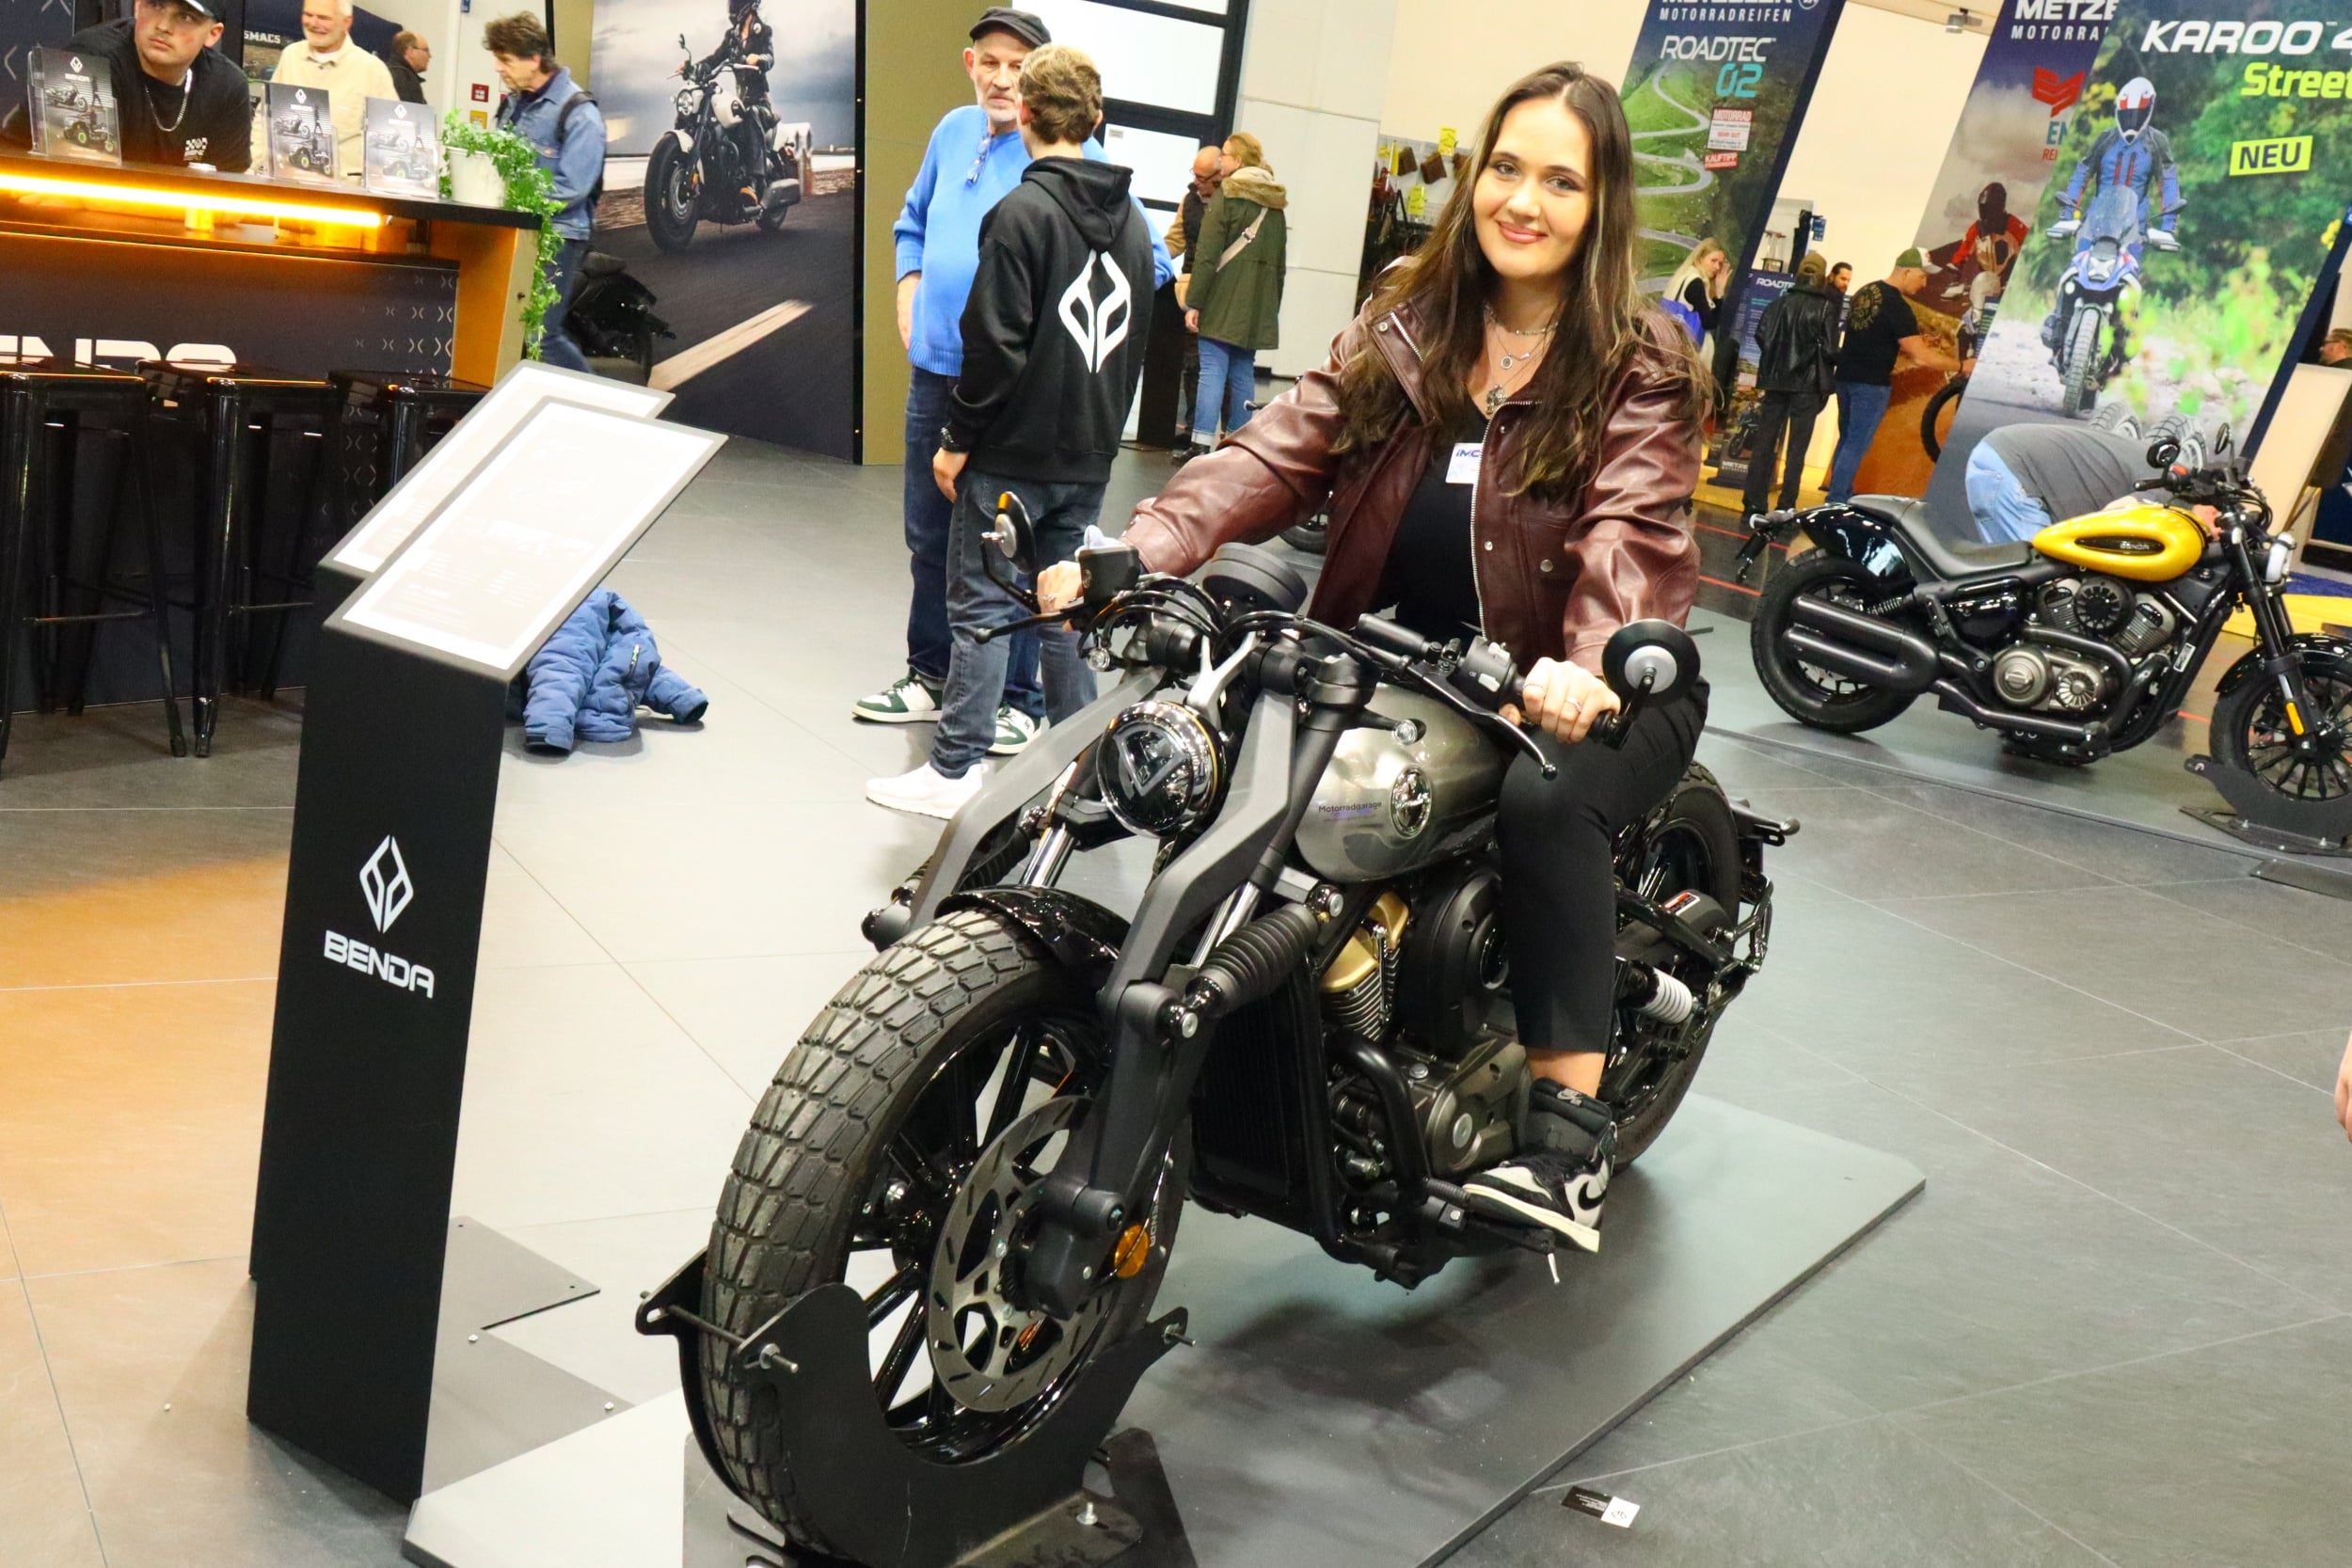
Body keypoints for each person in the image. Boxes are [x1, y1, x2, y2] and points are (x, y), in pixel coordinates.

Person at [1043, 62, 1710, 1250]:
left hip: (1588, 681)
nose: (1524, 201)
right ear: (1475, 177)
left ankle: (1567, 1136)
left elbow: (1633, 527)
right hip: (1406, 653)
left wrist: (1592, 658)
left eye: (1561, 181)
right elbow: (1278, 449)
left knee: (1545, 802)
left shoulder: (1638, 359)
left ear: (1601, 202)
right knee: (1224, 706)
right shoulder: (1411, 318)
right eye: (1507, 168)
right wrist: (1143, 545)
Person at [860, 7, 1172, 742]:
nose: (1002, 79)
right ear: (971, 64)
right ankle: (931, 674)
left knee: (1018, 558)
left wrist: (1051, 342)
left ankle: (1015, 701)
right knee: (930, 540)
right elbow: (911, 222)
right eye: (990, 62)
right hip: (937, 374)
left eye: (1017, 67)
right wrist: (910, 290)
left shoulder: (1071, 158)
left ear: (1034, 88)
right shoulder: (951, 132)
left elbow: (1151, 261)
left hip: (1011, 396)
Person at [0, 0, 251, 171]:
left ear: (213, 34)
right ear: (138, 6)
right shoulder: (89, 58)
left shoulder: (228, 86)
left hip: (152, 222)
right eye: (156, 5)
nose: (163, 26)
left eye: (185, 16)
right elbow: (75, 187)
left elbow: (231, 198)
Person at [485, 13, 604, 373]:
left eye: (506, 60)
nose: (498, 68)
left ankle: (591, 400)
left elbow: (573, 187)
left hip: (557, 236)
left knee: (539, 334)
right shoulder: (514, 104)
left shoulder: (579, 114)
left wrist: (518, 203)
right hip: (517, 232)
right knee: (507, 329)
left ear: (534, 59)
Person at [2040, 76, 2180, 362]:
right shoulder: (2105, 139)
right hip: (2095, 223)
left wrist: (2168, 227)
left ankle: (2124, 343)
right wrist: (2068, 214)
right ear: (2118, 109)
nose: (2131, 120)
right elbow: (2082, 173)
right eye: (2127, 113)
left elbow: (2168, 181)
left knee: (2128, 285)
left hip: (2134, 228)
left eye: (2137, 114)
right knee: (2075, 274)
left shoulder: (2156, 142)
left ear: (2149, 110)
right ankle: (2059, 330)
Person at [1825, 248, 1966, 502]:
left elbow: (1874, 334)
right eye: (1922, 276)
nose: (1924, 284)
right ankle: (1836, 500)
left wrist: (1912, 341)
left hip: (1846, 377)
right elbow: (1921, 357)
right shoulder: (1898, 306)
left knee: (1847, 440)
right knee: (1856, 444)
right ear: (1907, 271)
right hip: (1871, 384)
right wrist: (1962, 365)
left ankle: (1839, 492)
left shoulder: (1865, 291)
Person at [1184, 133, 1287, 447]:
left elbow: (1207, 255)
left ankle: (1200, 442)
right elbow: (1279, 264)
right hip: (1257, 303)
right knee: (1243, 371)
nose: (1221, 160)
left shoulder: (1227, 195)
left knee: (1212, 369)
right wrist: (1270, 308)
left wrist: (1194, 302)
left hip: (1221, 298)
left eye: (1225, 155)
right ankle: (1239, 445)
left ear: (1239, 161)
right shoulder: (1275, 203)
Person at [1741, 252, 1841, 519]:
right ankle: (1786, 505)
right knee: (1797, 449)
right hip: (1807, 386)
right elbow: (1830, 350)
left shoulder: (1777, 304)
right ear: (1822, 276)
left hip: (1775, 381)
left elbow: (1762, 335)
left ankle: (1753, 503)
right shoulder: (1826, 308)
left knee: (1764, 443)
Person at [1963, 421, 2169, 544]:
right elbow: (2116, 512)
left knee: (2010, 582)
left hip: (1998, 457)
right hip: (2015, 467)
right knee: (2042, 581)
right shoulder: (2173, 488)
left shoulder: (2162, 463)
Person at [258, 0, 397, 180]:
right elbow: (264, 117)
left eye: (323, 18)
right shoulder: (291, 56)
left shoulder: (373, 70)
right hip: (284, 184)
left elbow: (390, 143)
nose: (313, 23)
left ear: (346, 22)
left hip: (343, 191)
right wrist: (258, 163)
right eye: (308, 15)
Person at [1166, 145, 1226, 453]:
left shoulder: (1231, 203)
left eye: (1202, 178)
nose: (1196, 183)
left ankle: (1223, 435)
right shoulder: (1189, 201)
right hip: (1191, 290)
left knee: (1217, 368)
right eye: (1195, 175)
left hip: (1221, 292)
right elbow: (1175, 241)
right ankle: (1192, 432)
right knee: (1191, 365)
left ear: (1219, 175)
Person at [697, 0, 776, 202]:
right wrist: (695, 67)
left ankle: (754, 182)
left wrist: (759, 59)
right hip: (741, 101)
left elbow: (770, 57)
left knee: (751, 114)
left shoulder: (763, 31)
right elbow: (715, 59)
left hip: (759, 103)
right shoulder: (732, 37)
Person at [1665, 236, 1729, 347]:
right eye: (1713, 261)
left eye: (1720, 263)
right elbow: (1709, 323)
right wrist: (1719, 294)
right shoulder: (1696, 283)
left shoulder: (1684, 275)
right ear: (1700, 258)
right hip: (1681, 345)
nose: (1717, 267)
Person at [384, 31, 430, 105]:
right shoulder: (406, 80)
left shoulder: (384, 71)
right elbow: (412, 111)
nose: (429, 56)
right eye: (426, 50)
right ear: (410, 52)